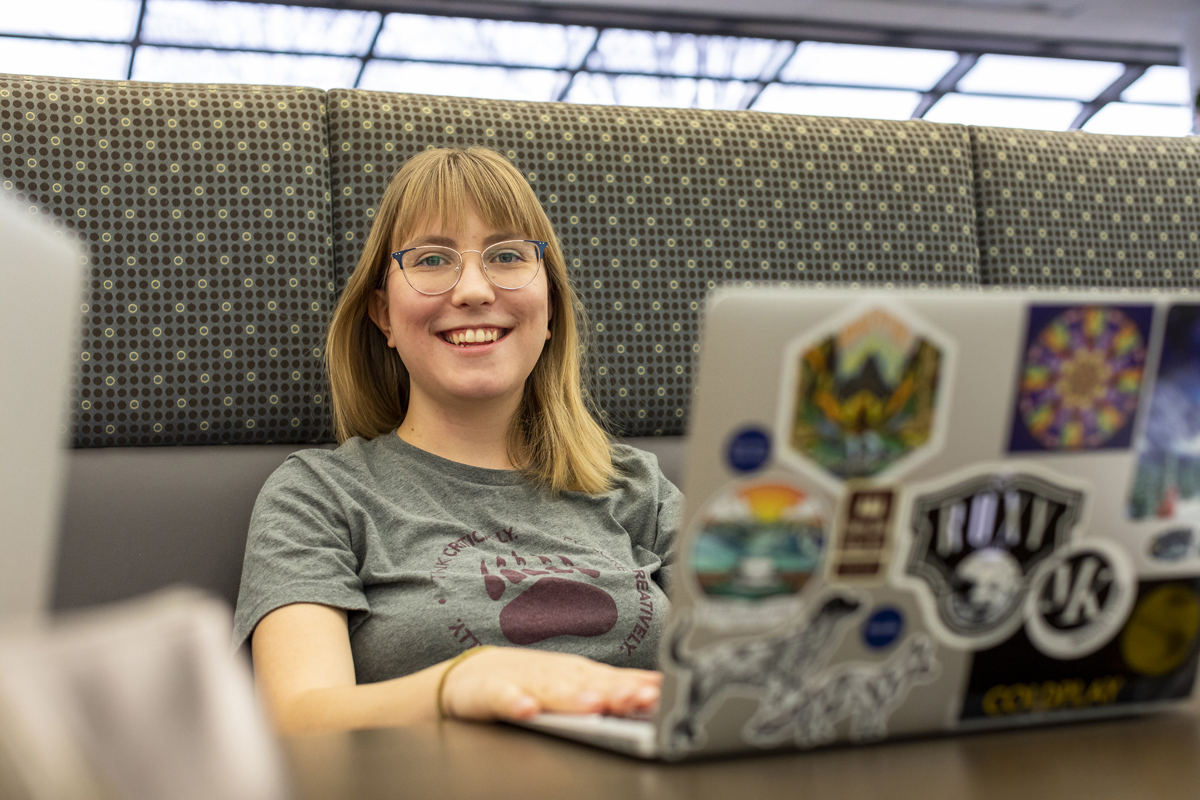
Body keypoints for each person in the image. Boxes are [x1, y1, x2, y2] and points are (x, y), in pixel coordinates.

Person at [233, 146, 680, 733]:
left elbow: (762, 660)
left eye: (507, 255)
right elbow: (298, 720)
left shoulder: (637, 487)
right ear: (383, 315)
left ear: (549, 310)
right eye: (432, 260)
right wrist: (460, 682)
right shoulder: (318, 494)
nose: (473, 289)